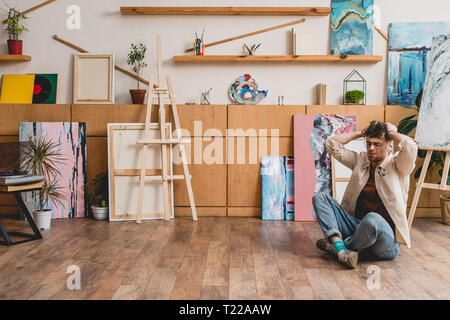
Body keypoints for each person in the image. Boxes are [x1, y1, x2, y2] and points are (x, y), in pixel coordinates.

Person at [313, 121, 418, 269]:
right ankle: (343, 250)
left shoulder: (399, 165)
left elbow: (411, 147)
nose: (371, 148)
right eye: (368, 144)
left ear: (389, 146)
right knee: (320, 197)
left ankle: (337, 247)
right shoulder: (361, 160)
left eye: (377, 144)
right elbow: (330, 144)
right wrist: (361, 132)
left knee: (372, 219)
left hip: (385, 241)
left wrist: (392, 134)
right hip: (357, 228)